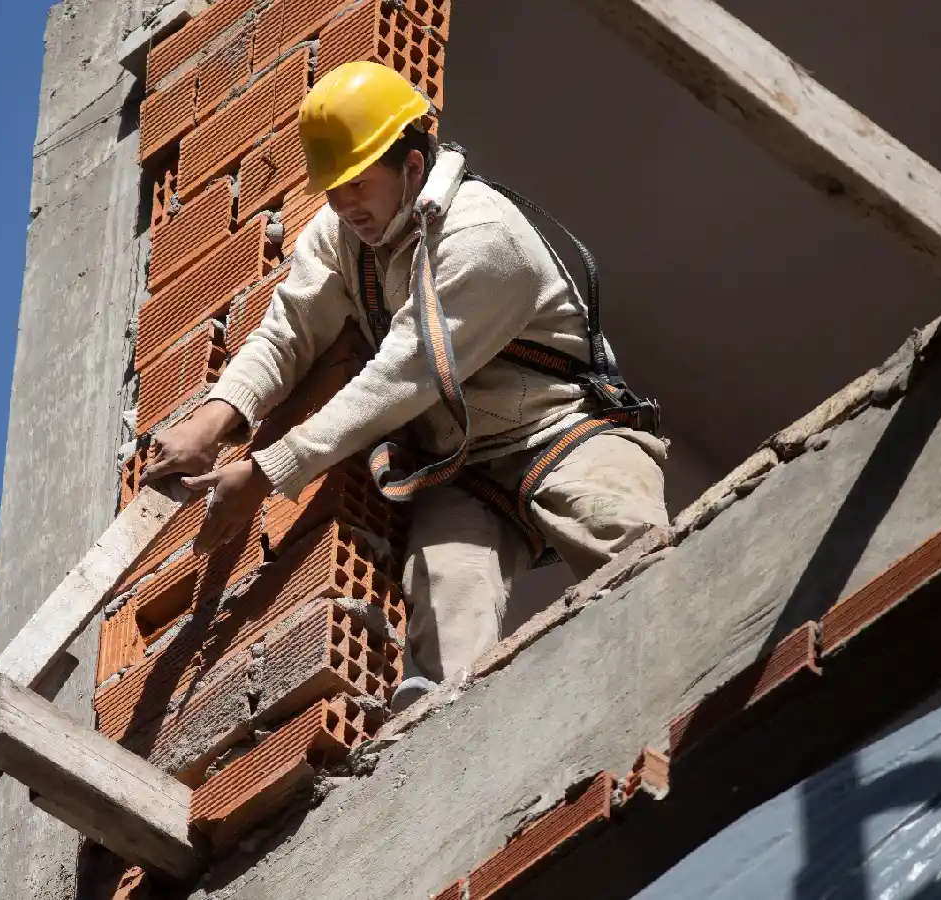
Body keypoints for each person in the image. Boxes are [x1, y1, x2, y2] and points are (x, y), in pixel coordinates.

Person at [141, 61, 668, 711]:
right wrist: (213, 420)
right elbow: (288, 333)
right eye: (333, 190)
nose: (344, 206)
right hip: (466, 470)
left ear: (413, 165)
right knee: (442, 649)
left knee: (638, 560)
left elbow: (399, 378)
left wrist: (267, 471)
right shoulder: (342, 236)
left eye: (358, 184)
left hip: (565, 431)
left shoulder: (483, 236)